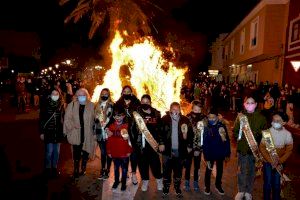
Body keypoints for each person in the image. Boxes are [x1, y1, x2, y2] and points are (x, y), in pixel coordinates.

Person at [233, 96, 267, 200]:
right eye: (248, 102)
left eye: (252, 103)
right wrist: (240, 136)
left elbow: (265, 135)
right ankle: (241, 190)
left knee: (252, 171)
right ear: (244, 104)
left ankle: (248, 191)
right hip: (242, 149)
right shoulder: (240, 117)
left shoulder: (262, 118)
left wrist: (257, 136)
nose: (250, 104)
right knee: (242, 171)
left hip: (254, 151)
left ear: (256, 104)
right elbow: (235, 131)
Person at [159, 102, 194, 198]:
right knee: (166, 171)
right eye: (173, 109)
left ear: (180, 110)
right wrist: (161, 143)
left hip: (180, 151)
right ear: (170, 110)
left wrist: (189, 146)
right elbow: (160, 132)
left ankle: (177, 188)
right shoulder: (164, 119)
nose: (175, 111)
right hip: (167, 151)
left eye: (177, 109)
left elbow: (191, 135)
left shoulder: (185, 120)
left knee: (178, 171)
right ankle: (165, 188)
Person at [130, 94, 163, 192]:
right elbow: (131, 130)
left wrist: (161, 142)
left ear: (150, 102)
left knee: (155, 164)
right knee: (142, 164)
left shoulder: (156, 113)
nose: (145, 104)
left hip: (153, 144)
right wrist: (135, 143)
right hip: (141, 145)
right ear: (141, 102)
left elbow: (160, 130)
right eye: (143, 102)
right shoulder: (136, 114)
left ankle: (159, 179)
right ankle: (145, 180)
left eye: (147, 102)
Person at [259, 112, 293, 200]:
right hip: (268, 162)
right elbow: (262, 148)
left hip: (279, 163)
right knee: (267, 183)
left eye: (278, 121)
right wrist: (270, 160)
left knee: (277, 184)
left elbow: (289, 150)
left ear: (284, 123)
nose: (275, 122)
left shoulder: (287, 134)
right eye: (274, 120)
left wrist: (280, 161)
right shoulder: (267, 133)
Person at [63, 88, 96, 178]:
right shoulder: (72, 105)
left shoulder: (92, 105)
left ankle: (83, 167)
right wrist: (73, 125)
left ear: (87, 95)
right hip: (76, 132)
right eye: (80, 95)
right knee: (76, 152)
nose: (82, 97)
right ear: (77, 96)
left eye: (84, 95)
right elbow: (67, 119)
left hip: (87, 133)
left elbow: (95, 119)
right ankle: (76, 169)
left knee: (85, 151)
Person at [115, 85, 140, 185]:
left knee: (133, 154)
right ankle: (124, 172)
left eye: (128, 91)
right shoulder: (118, 103)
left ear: (131, 92)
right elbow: (115, 116)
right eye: (124, 91)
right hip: (122, 131)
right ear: (122, 92)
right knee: (123, 153)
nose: (126, 93)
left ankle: (134, 173)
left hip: (134, 131)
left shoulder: (136, 102)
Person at [202, 108, 230, 195]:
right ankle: (207, 186)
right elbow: (205, 142)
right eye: (209, 117)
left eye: (213, 117)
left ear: (217, 117)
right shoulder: (206, 127)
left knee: (220, 170)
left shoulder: (221, 126)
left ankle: (218, 185)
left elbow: (226, 140)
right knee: (208, 170)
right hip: (210, 154)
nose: (211, 119)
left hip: (220, 153)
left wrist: (227, 153)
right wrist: (206, 155)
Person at [39, 89, 65, 178]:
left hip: (58, 132)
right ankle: (47, 168)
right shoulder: (45, 105)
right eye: (53, 94)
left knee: (57, 152)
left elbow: (64, 119)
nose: (55, 95)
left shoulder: (61, 105)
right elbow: (41, 119)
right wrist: (42, 132)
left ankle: (54, 168)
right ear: (50, 95)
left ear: (59, 95)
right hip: (48, 132)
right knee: (49, 151)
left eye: (56, 94)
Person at [106, 106, 132, 191]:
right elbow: (109, 140)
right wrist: (109, 151)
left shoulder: (127, 126)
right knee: (116, 169)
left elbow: (130, 141)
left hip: (124, 152)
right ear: (113, 117)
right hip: (114, 152)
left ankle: (123, 183)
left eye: (120, 115)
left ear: (124, 116)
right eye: (116, 116)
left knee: (124, 169)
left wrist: (129, 151)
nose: (118, 118)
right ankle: (116, 181)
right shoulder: (111, 127)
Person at [184, 100, 206, 191]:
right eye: (195, 109)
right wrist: (188, 146)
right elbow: (185, 134)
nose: (196, 111)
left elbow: (205, 135)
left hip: (198, 147)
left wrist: (199, 148)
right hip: (189, 146)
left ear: (201, 109)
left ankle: (196, 182)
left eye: (199, 109)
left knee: (197, 166)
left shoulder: (204, 118)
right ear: (192, 108)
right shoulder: (187, 117)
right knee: (188, 165)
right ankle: (187, 181)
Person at [94, 88, 113, 180]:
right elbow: (94, 120)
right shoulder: (97, 105)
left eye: (106, 94)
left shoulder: (111, 105)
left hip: (107, 132)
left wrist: (105, 124)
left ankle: (107, 170)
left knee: (108, 151)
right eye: (103, 94)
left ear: (109, 95)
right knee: (103, 152)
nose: (104, 95)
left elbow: (110, 118)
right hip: (99, 132)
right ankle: (102, 169)